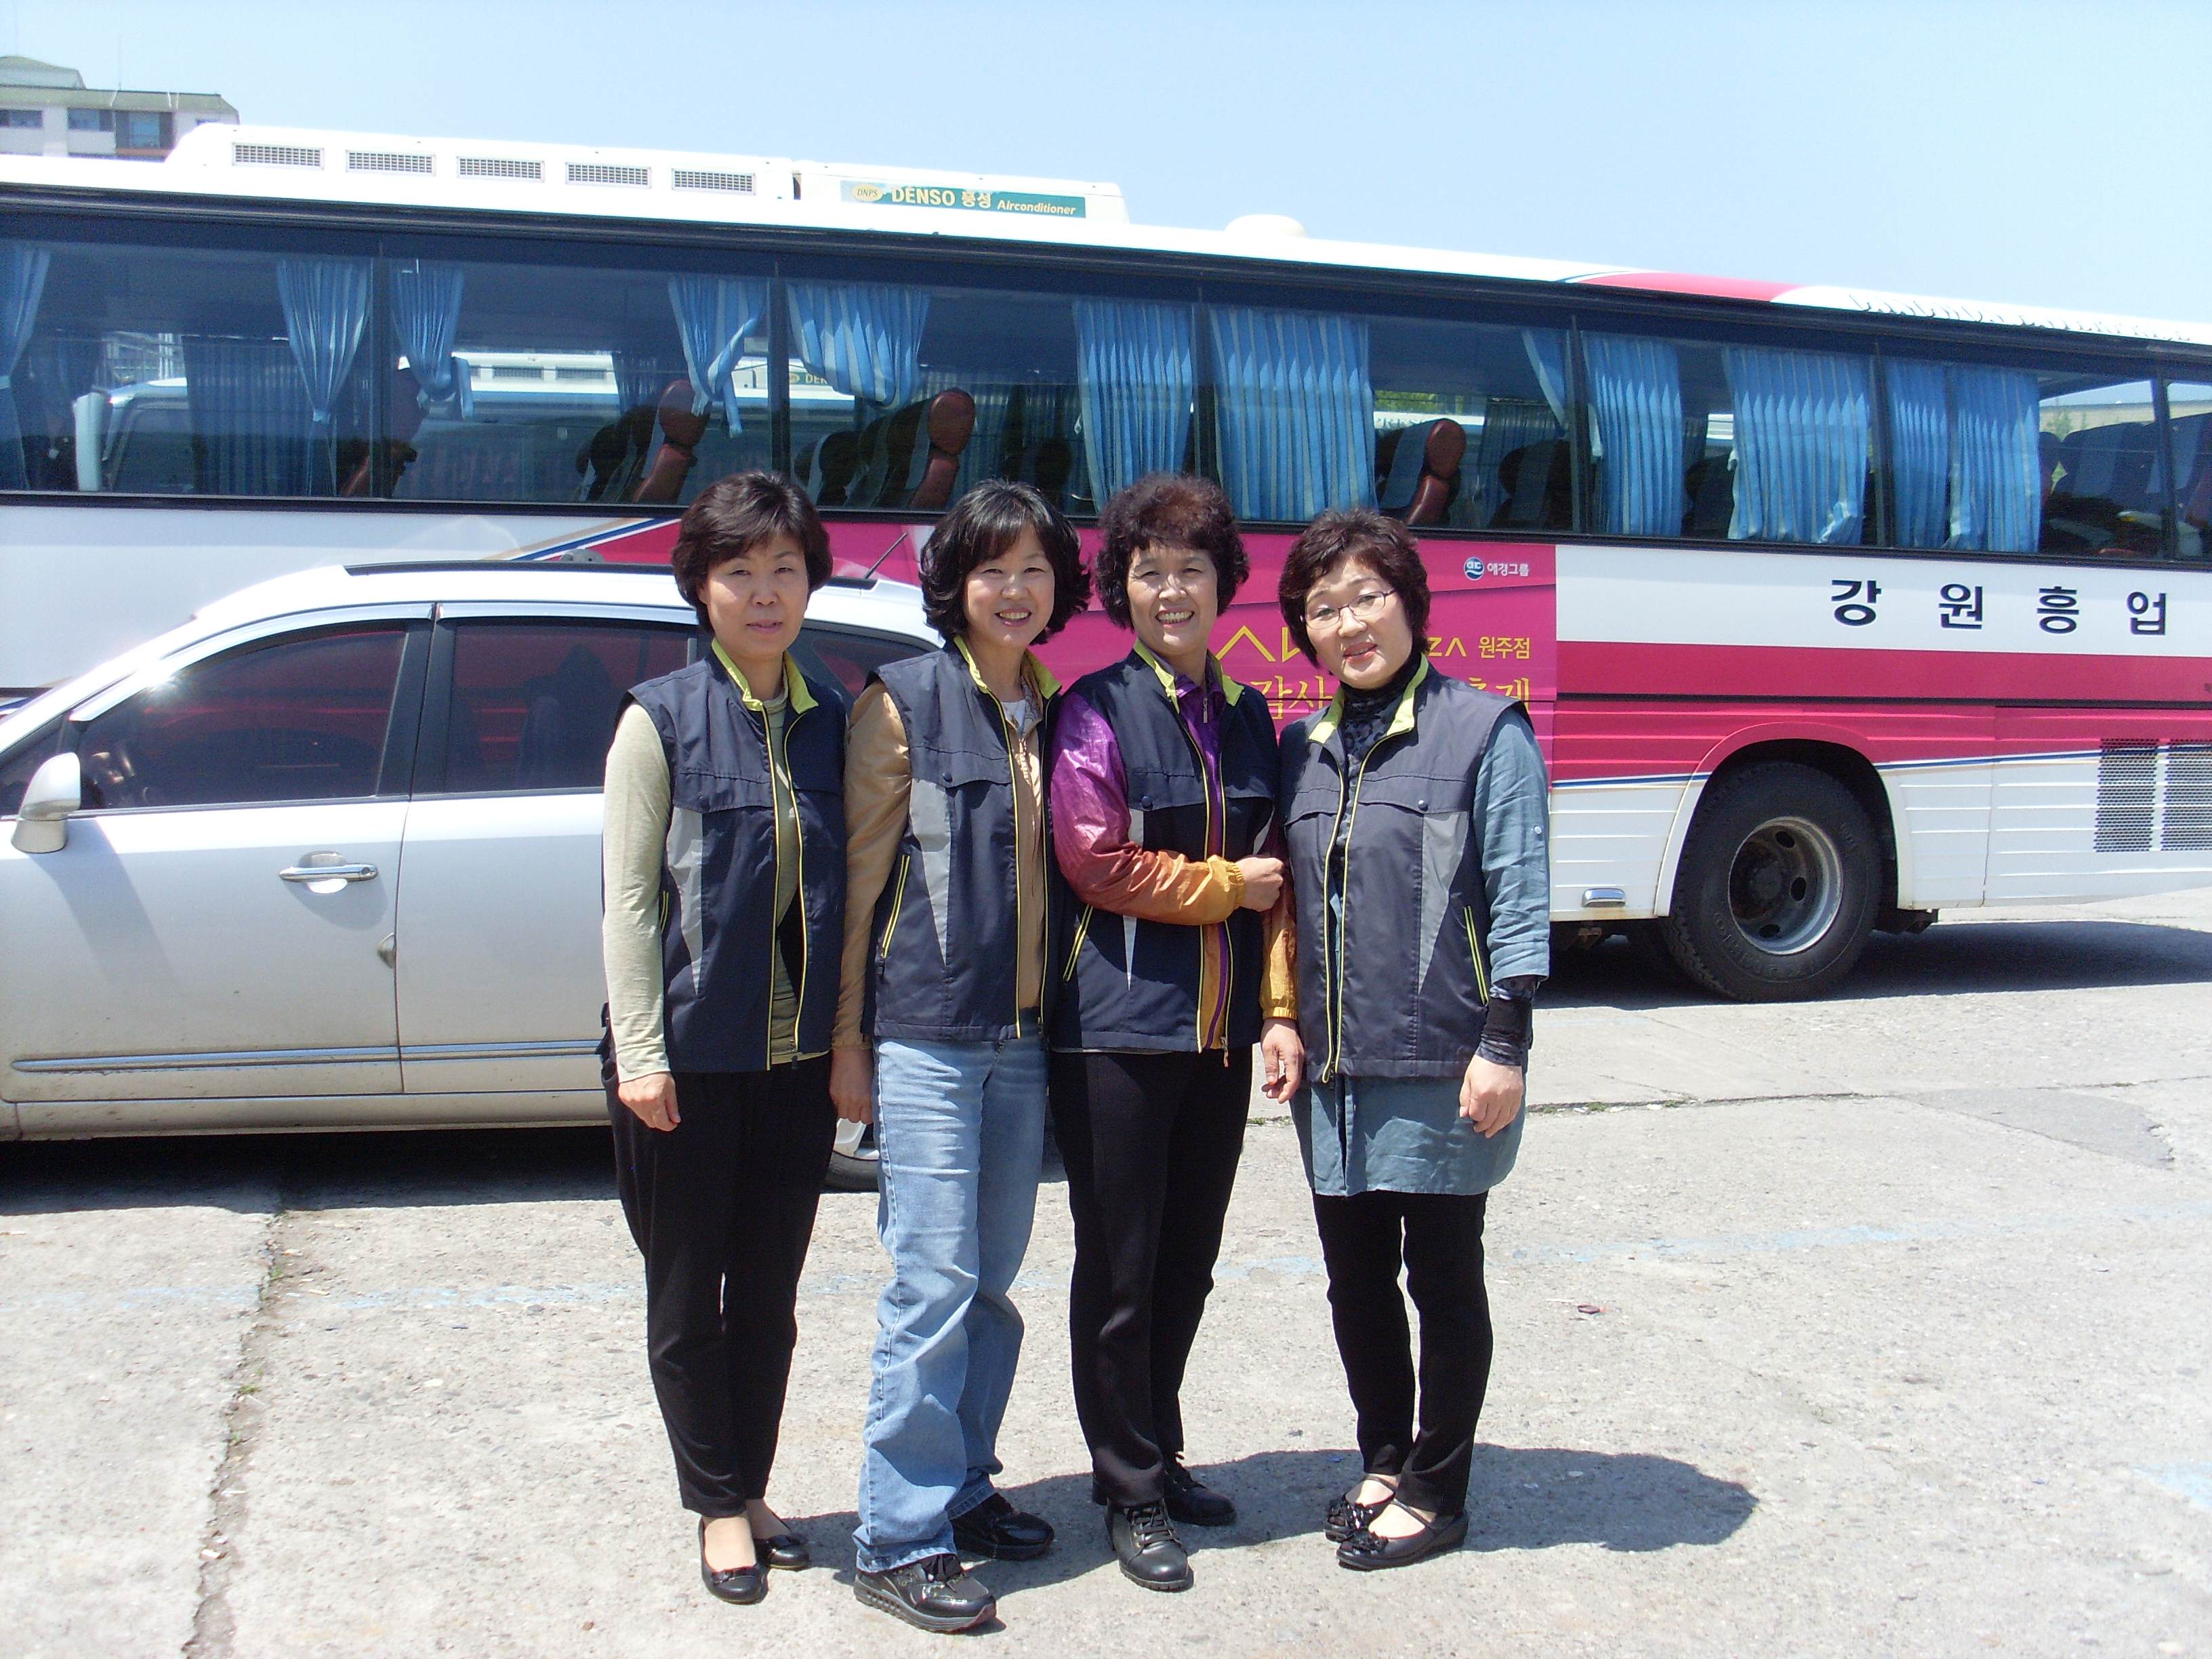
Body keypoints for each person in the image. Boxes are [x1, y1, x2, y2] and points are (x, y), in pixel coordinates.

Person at [831, 480, 1092, 1633]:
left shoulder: (1058, 710)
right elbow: (857, 889)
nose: (1015, 589)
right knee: (931, 1283)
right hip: (929, 1038)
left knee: (990, 1283)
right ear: (955, 583)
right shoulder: (902, 703)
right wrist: (850, 1041)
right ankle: (897, 1538)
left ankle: (963, 1488)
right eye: (994, 569)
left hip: (1023, 1042)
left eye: (1035, 568)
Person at [1274, 508, 1551, 1572]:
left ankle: (1440, 1489)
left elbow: (1520, 896)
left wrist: (1506, 1043)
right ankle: (1385, 1457)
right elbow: (1291, 907)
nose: (1350, 624)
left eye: (1368, 597)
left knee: (1442, 1277)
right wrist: (1281, 1018)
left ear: (1412, 603)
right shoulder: (1304, 749)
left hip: (1443, 1060)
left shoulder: (1486, 730)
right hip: (1335, 1074)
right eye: (1324, 608)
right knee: (1355, 1282)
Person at [1047, 473, 1303, 1593]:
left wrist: (1279, 1013)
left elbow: (1281, 881)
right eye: (1148, 571)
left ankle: (1161, 1447)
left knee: (1187, 1262)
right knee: (1122, 1268)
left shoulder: (1249, 715)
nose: (1170, 590)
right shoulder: (1094, 708)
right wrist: (1222, 885)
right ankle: (1129, 1488)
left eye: (1190, 569)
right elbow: (1093, 858)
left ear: (1223, 582)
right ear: (1122, 588)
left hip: (1218, 1036)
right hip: (1117, 1031)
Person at [599, 471, 848, 1606]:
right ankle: (714, 1505)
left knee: (770, 1301)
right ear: (701, 586)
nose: (765, 593)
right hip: (689, 1062)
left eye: (785, 569)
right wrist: (642, 1054)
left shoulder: (834, 718)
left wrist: (849, 1041)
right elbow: (628, 904)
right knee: (686, 1296)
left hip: (794, 1065)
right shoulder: (656, 719)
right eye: (740, 572)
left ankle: (750, 1484)